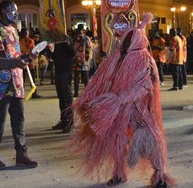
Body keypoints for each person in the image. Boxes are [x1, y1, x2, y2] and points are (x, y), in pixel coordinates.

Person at [68, 13, 175, 188]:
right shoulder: (118, 55)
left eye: (127, 41)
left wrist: (120, 98)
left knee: (151, 140)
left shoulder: (143, 59)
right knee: (116, 140)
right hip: (118, 110)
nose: (124, 44)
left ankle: (160, 175)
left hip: (140, 110)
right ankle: (119, 173)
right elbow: (103, 78)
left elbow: (146, 86)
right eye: (124, 41)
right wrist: (92, 98)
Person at [0, 0, 38, 169]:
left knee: (19, 118)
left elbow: (15, 56)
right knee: (0, 119)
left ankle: (21, 153)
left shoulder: (13, 30)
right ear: (5, 11)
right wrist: (13, 64)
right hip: (1, 83)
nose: (16, 13)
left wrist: (28, 58)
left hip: (17, 81)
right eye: (14, 10)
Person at [46, 35, 75, 133]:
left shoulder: (67, 39)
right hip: (58, 71)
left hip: (66, 71)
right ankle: (63, 119)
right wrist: (47, 50)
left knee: (67, 97)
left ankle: (70, 121)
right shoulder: (57, 42)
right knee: (61, 97)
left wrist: (67, 43)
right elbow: (55, 57)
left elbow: (72, 53)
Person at [19, 28, 41, 98]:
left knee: (22, 79)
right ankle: (34, 93)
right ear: (27, 33)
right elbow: (34, 51)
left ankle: (20, 93)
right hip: (30, 62)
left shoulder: (19, 41)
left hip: (21, 62)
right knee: (32, 79)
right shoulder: (31, 41)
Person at [73, 24, 92, 97]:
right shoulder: (86, 38)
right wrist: (88, 58)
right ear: (83, 30)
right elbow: (89, 48)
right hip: (85, 59)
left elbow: (73, 48)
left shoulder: (74, 38)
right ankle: (86, 92)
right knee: (86, 76)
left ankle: (76, 92)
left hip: (76, 59)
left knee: (76, 76)